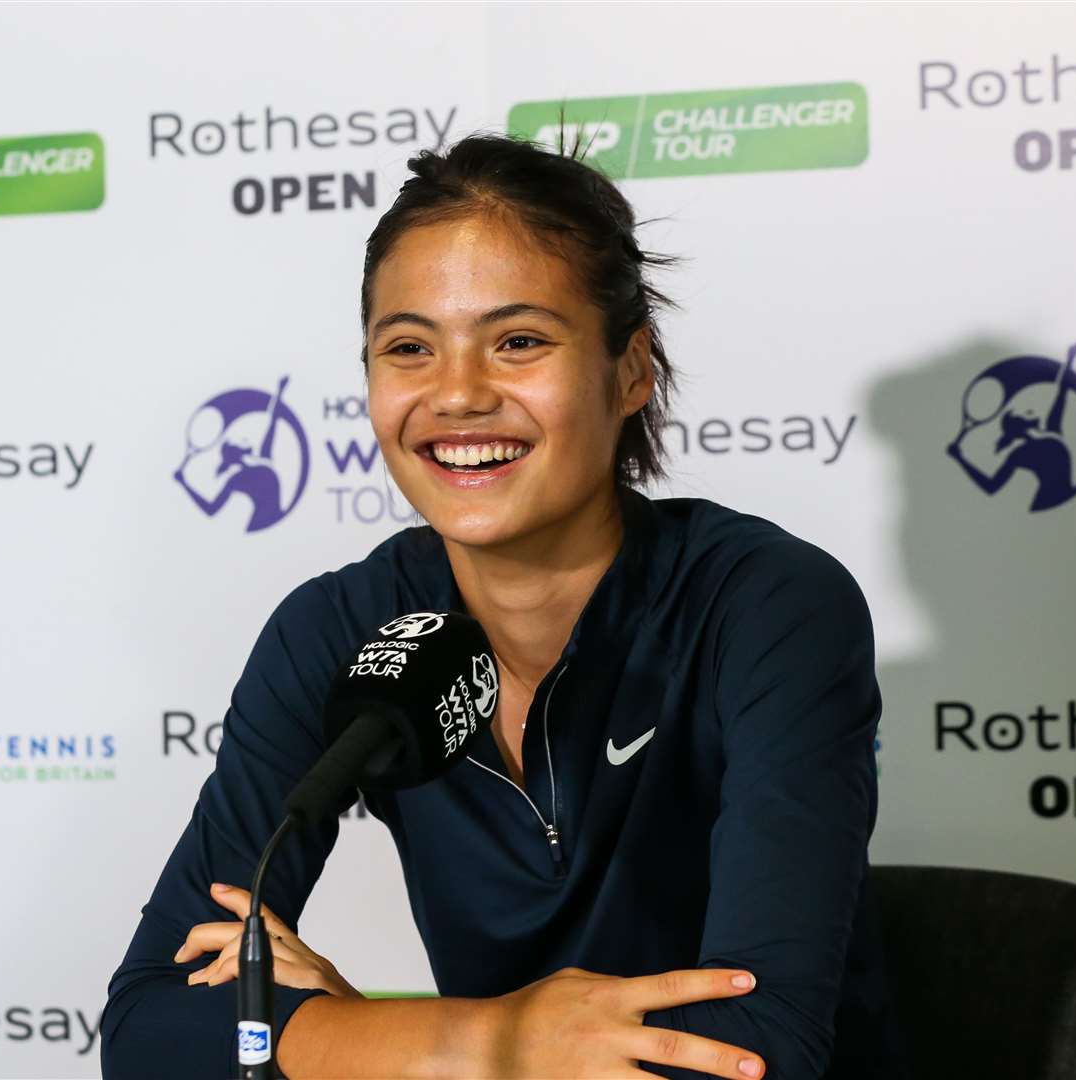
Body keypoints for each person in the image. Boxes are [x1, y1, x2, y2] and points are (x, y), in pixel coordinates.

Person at [101, 130, 904, 1079]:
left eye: (518, 342)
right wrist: (483, 1045)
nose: (458, 395)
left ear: (632, 370)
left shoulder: (766, 607)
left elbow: (749, 1058)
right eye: (408, 348)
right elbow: (151, 1027)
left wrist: (370, 1043)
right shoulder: (338, 629)